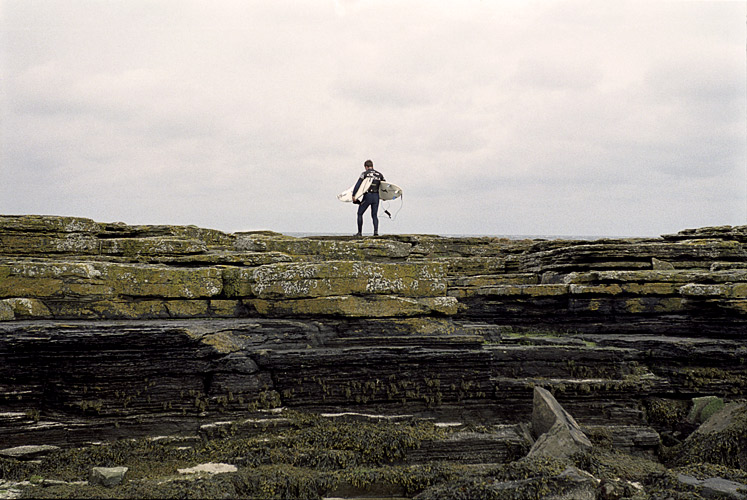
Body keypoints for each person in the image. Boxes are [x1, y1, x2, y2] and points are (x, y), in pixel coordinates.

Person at [352, 159, 385, 236]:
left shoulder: (365, 174)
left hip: (368, 196)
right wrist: (384, 196)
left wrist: (354, 195)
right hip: (376, 197)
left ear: (366, 167)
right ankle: (376, 232)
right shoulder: (379, 174)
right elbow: (384, 185)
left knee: (360, 213)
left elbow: (358, 184)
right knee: (374, 215)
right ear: (372, 166)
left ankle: (359, 233)